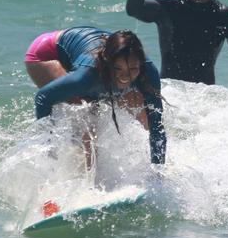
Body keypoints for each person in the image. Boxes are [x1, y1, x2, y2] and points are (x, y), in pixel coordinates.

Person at [24, 27, 166, 165]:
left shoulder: (148, 71)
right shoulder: (86, 76)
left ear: (140, 64)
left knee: (145, 116)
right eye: (118, 68)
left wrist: (158, 171)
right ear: (107, 62)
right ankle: (86, 176)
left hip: (90, 49)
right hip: (46, 53)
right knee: (85, 113)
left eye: (133, 69)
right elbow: (43, 98)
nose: (125, 76)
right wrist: (48, 144)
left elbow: (156, 124)